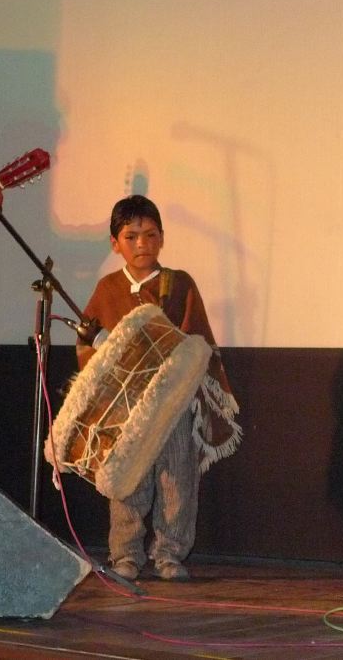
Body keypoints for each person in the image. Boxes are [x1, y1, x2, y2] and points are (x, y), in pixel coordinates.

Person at [76, 195, 240, 582]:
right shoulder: (107, 288)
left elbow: (198, 341)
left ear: (162, 239)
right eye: (131, 237)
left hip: (172, 402)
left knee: (177, 478)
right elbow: (87, 346)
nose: (141, 244)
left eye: (150, 235)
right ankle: (125, 555)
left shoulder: (178, 284)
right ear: (115, 243)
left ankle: (169, 553)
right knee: (126, 478)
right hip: (125, 407)